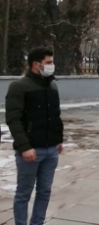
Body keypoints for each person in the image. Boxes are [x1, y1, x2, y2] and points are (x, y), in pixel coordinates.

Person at [5, 47, 63, 225]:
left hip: (51, 149)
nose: (52, 65)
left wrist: (58, 139)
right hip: (30, 151)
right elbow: (13, 119)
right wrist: (25, 147)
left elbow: (55, 115)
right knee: (24, 193)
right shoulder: (19, 87)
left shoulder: (52, 86)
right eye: (48, 63)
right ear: (36, 64)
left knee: (45, 191)